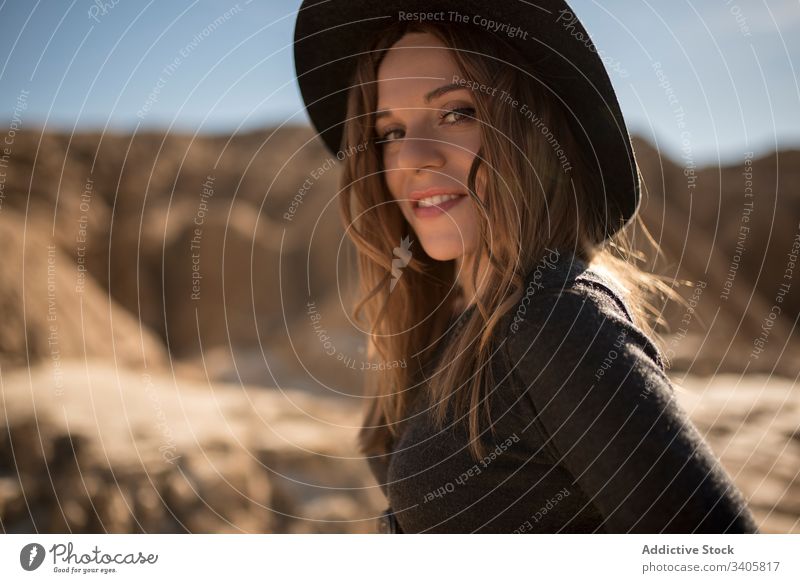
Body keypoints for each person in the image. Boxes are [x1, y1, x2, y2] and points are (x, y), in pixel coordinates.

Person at [292, 0, 760, 533]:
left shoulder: (555, 320)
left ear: (532, 133)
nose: (412, 157)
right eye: (390, 132)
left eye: (457, 112)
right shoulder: (455, 320)